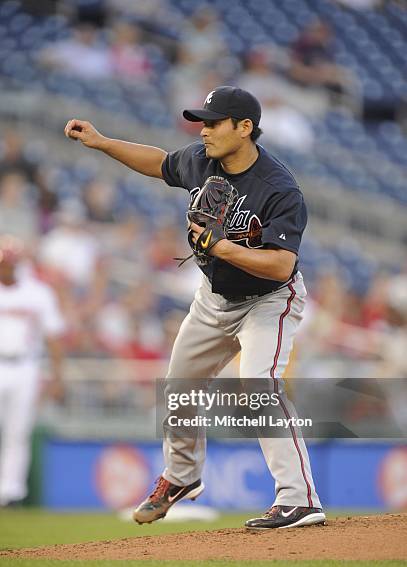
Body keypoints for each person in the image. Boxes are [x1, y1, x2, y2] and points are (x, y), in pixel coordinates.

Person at [64, 85, 325, 529]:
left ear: (245, 128)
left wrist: (224, 249)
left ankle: (300, 498)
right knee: (178, 387)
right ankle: (182, 477)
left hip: (268, 300)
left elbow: (281, 265)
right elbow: (160, 163)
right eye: (202, 121)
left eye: (213, 122)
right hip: (213, 298)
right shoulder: (201, 160)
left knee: (259, 386)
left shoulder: (279, 188)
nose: (203, 130)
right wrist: (103, 141)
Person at [0, 235, 66, 507]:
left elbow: (53, 337)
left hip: (26, 365)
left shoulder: (37, 292)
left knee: (18, 432)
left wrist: (57, 375)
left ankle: (10, 493)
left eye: (10, 263)